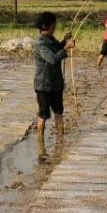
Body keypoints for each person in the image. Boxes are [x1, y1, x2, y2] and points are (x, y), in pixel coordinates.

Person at [33, 11, 73, 140]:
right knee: (43, 114)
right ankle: (41, 143)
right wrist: (66, 48)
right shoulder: (40, 44)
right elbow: (53, 58)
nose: (55, 27)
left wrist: (64, 41)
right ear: (46, 26)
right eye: (53, 25)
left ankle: (60, 141)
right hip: (44, 85)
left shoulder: (52, 40)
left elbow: (57, 48)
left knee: (59, 112)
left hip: (56, 84)